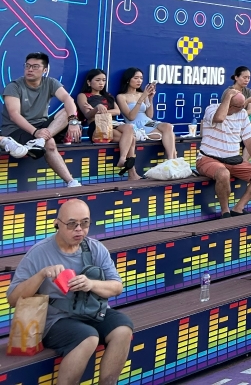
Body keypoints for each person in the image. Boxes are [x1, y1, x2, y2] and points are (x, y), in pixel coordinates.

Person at [7, 199, 133, 385]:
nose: (79, 229)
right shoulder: (39, 253)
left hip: (90, 311)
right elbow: (12, 299)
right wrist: (41, 275)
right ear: (57, 224)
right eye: (72, 224)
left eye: (85, 223)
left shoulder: (95, 248)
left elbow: (117, 287)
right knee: (88, 337)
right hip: (54, 320)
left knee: (123, 328)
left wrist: (91, 284)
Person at [0, 51, 82, 186]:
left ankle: (39, 141)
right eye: (27, 66)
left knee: (65, 112)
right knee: (50, 143)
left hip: (41, 126)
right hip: (16, 129)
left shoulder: (50, 82)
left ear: (45, 70)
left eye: (35, 66)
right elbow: (14, 115)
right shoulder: (13, 86)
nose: (30, 69)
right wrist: (35, 132)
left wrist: (73, 121)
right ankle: (71, 181)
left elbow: (68, 99)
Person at [196, 88, 251, 217]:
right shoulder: (212, 109)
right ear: (229, 104)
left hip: (233, 160)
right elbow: (219, 118)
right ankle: (225, 212)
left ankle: (238, 208)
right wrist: (229, 95)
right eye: (239, 106)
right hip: (208, 159)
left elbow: (248, 139)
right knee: (223, 173)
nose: (242, 108)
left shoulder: (242, 113)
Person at [115, 68, 178, 180]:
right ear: (128, 80)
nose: (139, 81)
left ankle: (170, 160)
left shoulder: (142, 94)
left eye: (141, 78)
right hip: (135, 124)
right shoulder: (121, 97)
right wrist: (142, 98)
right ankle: (172, 160)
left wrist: (150, 98)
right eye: (136, 78)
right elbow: (131, 116)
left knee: (168, 127)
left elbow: (149, 115)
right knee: (168, 135)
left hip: (148, 122)